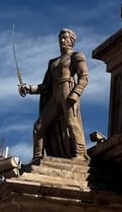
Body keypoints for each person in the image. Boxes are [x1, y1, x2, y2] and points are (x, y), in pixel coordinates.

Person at [19, 28, 89, 162]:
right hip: (55, 93)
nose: (62, 40)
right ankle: (37, 156)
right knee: (39, 126)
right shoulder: (53, 62)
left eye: (65, 38)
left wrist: (76, 93)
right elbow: (46, 86)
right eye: (60, 38)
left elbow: (84, 77)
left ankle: (80, 154)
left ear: (72, 41)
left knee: (72, 122)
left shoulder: (77, 56)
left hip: (67, 90)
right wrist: (30, 88)